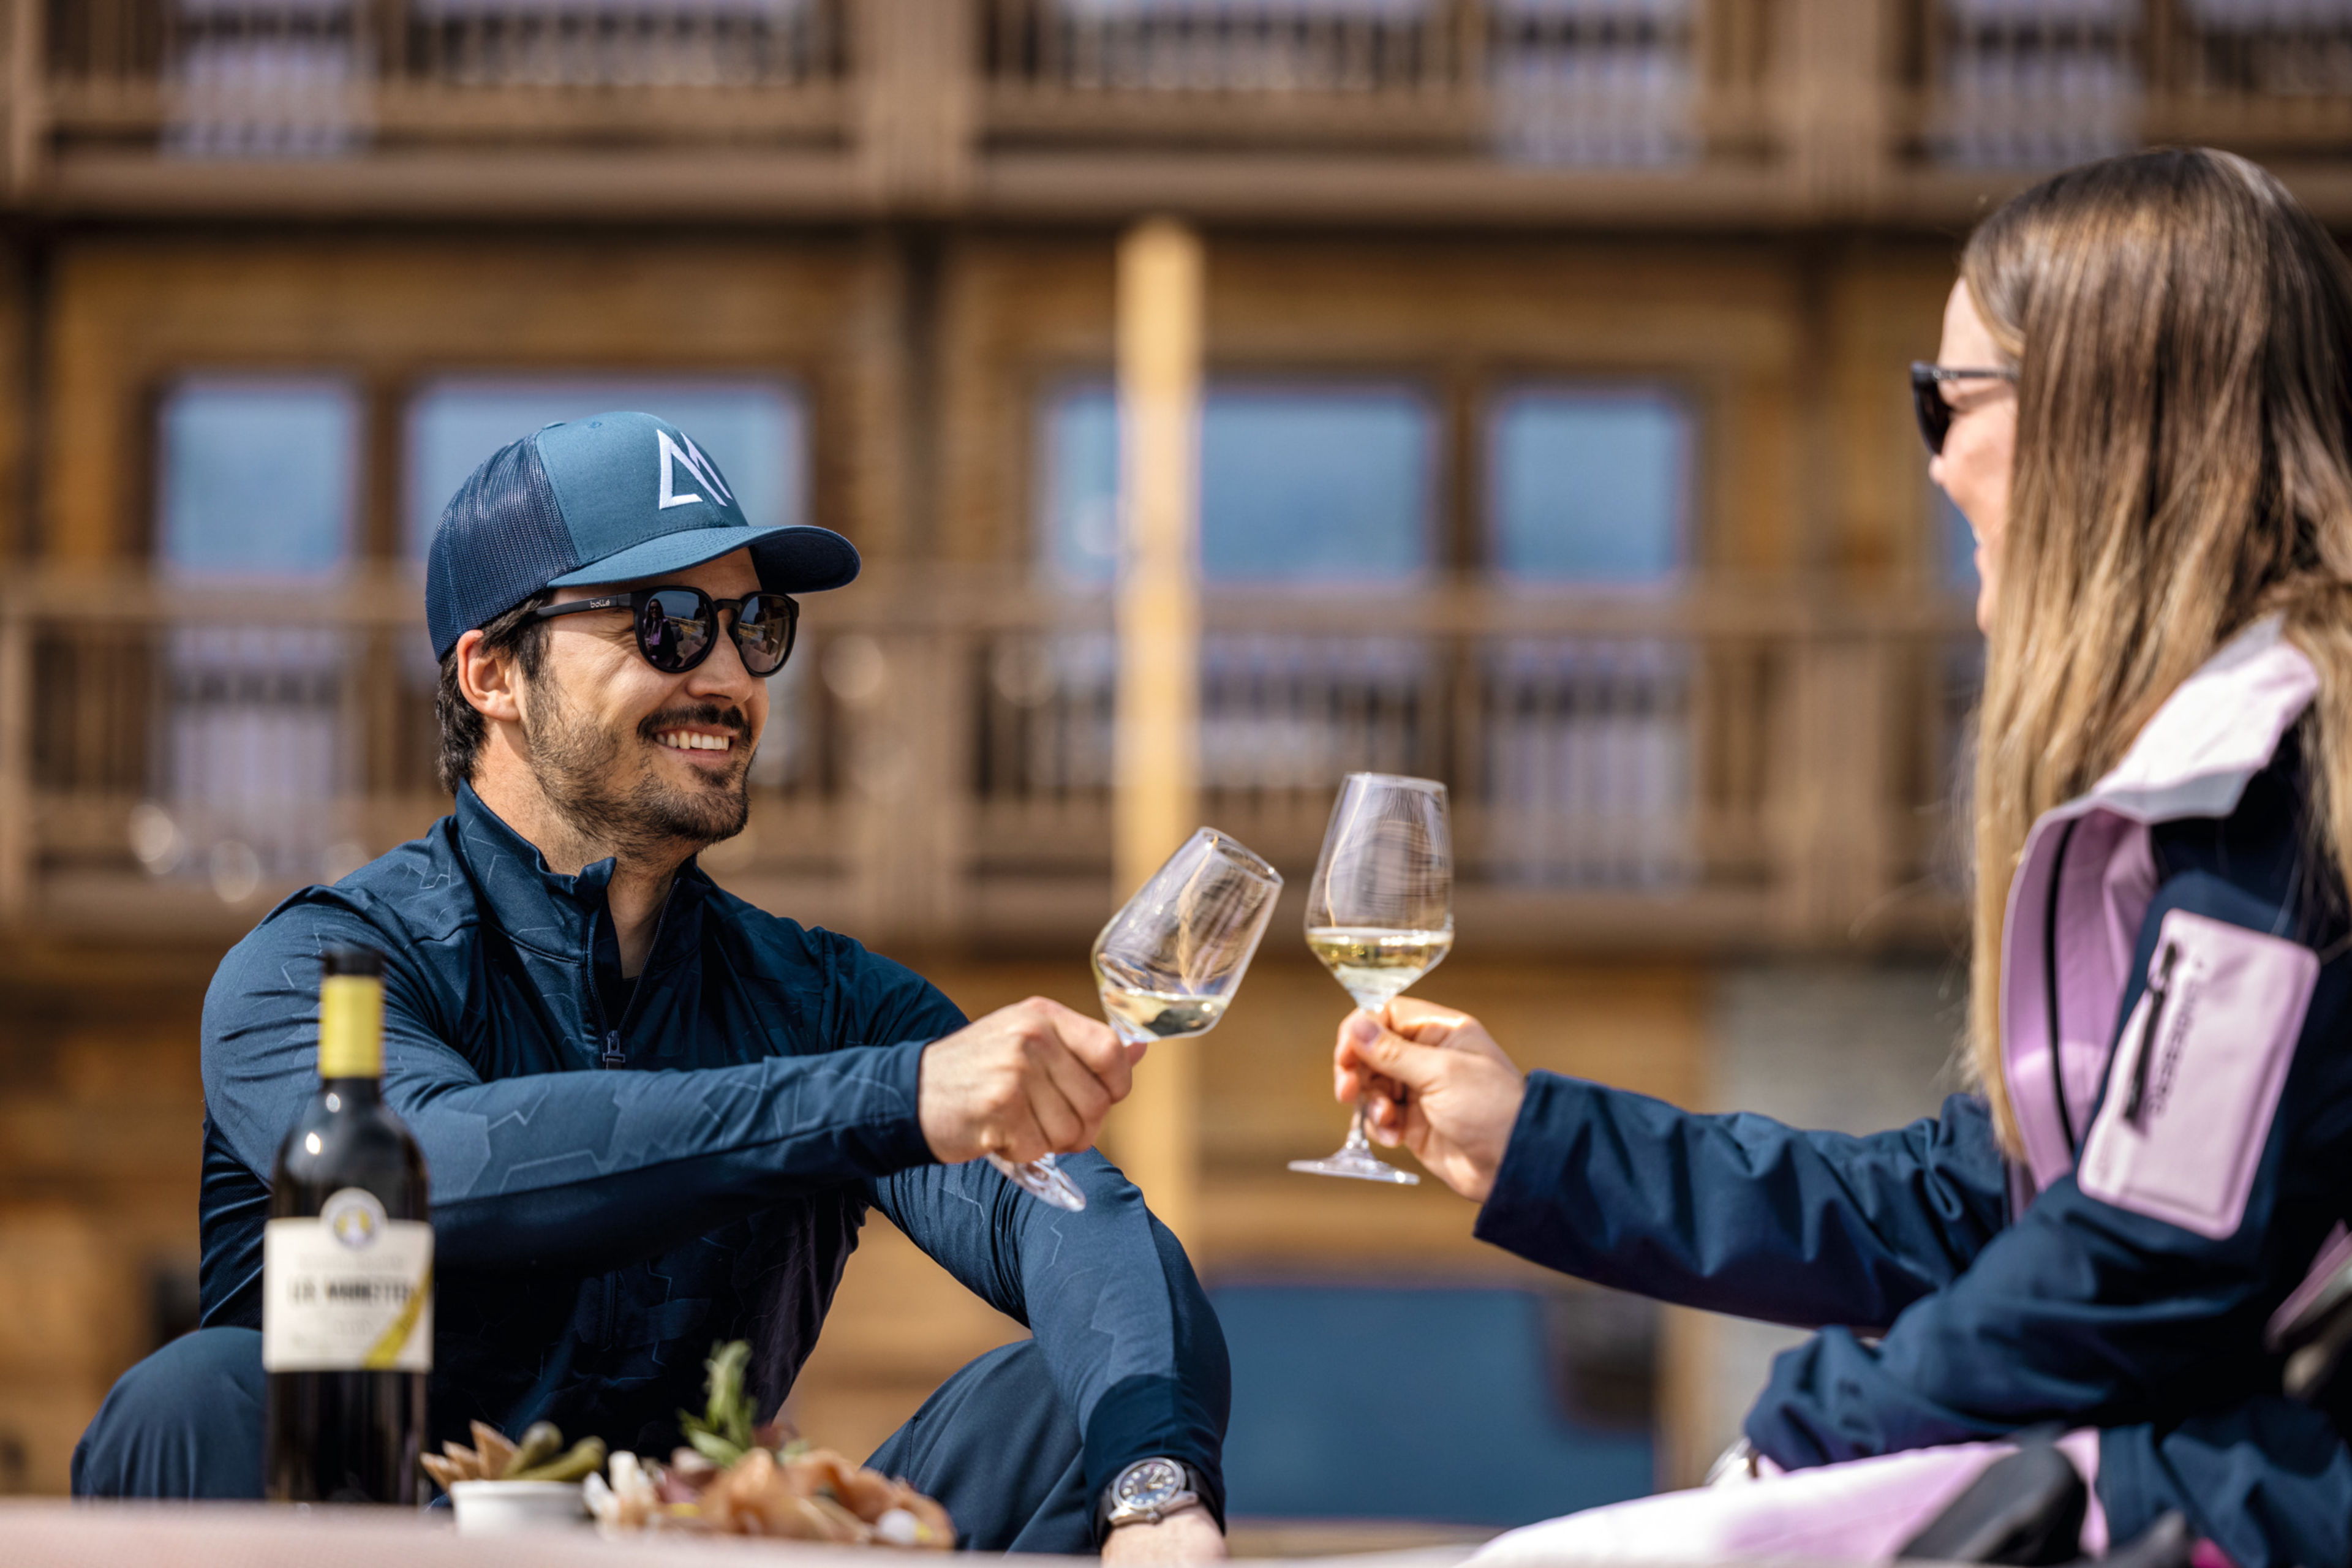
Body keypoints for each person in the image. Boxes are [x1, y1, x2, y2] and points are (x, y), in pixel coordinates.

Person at [1322, 149, 2352, 1568]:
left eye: (1948, 397)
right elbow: (1982, 1199)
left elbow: (2145, 1252)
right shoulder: (2222, 767)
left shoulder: (2284, 773)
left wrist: (1818, 1422)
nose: (1931, 457)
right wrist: (1542, 1144)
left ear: (2105, 416)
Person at [72, 411, 1230, 1561]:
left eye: (755, 626)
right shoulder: (327, 973)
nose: (728, 676)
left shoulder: (826, 998)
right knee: (199, 1396)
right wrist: (885, 1102)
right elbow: (435, 1168)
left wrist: (1156, 1496)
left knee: (1095, 1387)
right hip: (383, 1543)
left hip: (703, 1543)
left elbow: (1079, 1227)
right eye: (667, 626)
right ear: (492, 674)